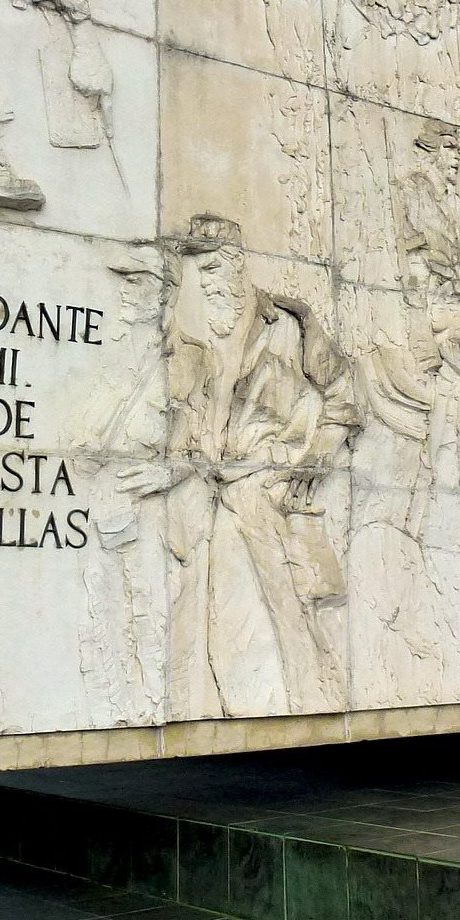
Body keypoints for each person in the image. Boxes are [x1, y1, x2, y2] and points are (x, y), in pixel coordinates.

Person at [118, 215, 357, 718]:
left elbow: (343, 400)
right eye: (194, 272)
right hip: (216, 496)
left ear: (234, 265)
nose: (202, 284)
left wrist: (311, 464)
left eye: (208, 269)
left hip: (270, 489)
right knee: (227, 623)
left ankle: (317, 704)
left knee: (292, 609)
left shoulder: (290, 327)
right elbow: (198, 431)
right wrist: (177, 469)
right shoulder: (194, 341)